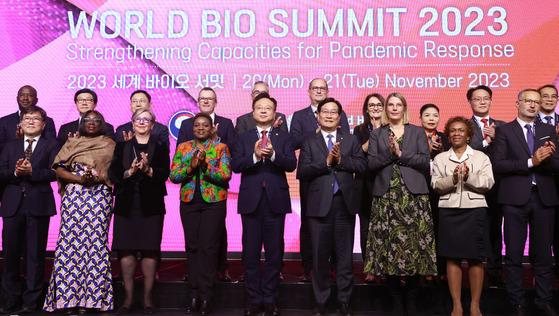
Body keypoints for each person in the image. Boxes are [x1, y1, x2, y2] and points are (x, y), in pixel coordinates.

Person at [365, 92, 437, 316]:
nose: (394, 108)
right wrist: (391, 153)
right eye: (391, 105)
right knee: (389, 250)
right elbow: (371, 164)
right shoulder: (377, 134)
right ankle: (396, 299)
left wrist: (401, 153)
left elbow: (424, 161)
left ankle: (412, 298)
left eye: (399, 105)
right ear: (386, 109)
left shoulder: (416, 131)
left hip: (413, 198)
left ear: (404, 108)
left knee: (414, 248)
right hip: (386, 198)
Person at [492, 89, 559, 316]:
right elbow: (499, 165)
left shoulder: (548, 130)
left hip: (544, 198)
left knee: (543, 255)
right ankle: (517, 303)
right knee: (513, 254)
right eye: (528, 101)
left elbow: (557, 166)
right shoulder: (504, 131)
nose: (533, 105)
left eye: (536, 102)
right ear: (517, 103)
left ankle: (544, 301)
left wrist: (547, 160)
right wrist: (531, 161)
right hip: (514, 199)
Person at [298, 98, 366, 316]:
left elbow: (361, 166)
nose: (328, 115)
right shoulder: (309, 142)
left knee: (345, 257)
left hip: (344, 205)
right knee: (319, 257)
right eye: (324, 112)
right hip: (319, 207)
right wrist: (326, 162)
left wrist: (340, 159)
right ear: (318, 115)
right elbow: (302, 172)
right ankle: (321, 301)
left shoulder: (351, 140)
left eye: (333, 112)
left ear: (339, 117)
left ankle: (345, 301)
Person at [44, 110, 116, 314]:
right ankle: (68, 301)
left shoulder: (110, 144)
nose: (91, 123)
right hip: (74, 197)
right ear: (82, 123)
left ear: (102, 123)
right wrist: (80, 180)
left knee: (95, 245)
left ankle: (93, 301)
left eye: (96, 120)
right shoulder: (71, 143)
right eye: (87, 120)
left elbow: (113, 172)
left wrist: (95, 179)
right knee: (70, 246)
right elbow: (58, 169)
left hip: (99, 196)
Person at [232, 92, 296, 316]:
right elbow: (236, 165)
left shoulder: (283, 136)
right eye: (259, 107)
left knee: (274, 253)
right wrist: (255, 156)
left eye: (267, 108)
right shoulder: (243, 137)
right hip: (251, 202)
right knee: (249, 254)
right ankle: (253, 299)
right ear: (253, 111)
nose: (263, 111)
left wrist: (274, 154)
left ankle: (269, 298)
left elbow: (291, 164)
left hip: (275, 202)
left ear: (274, 113)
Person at [108, 109, 170, 315]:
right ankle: (128, 299)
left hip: (151, 204)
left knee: (150, 249)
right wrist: (130, 172)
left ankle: (147, 298)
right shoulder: (121, 146)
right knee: (126, 250)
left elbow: (164, 174)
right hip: (126, 203)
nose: (142, 123)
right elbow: (113, 174)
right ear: (132, 124)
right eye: (138, 120)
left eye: (147, 120)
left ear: (153, 125)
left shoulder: (160, 146)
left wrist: (147, 170)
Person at [431, 116, 494, 316]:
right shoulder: (440, 158)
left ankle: (475, 305)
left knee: (475, 259)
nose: (456, 134)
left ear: (468, 135)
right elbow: (436, 185)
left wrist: (468, 177)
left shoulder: (481, 157)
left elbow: (488, 183)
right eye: (452, 131)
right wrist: (454, 178)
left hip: (474, 210)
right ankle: (457, 305)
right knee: (452, 259)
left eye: (461, 131)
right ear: (448, 135)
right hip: (449, 211)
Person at [170, 113, 232, 315]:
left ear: (212, 127)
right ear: (192, 128)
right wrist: (191, 167)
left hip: (213, 203)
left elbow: (225, 176)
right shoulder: (183, 147)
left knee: (209, 248)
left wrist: (205, 166)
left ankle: (207, 295)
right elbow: (174, 176)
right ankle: (194, 294)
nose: (200, 128)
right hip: (189, 202)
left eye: (205, 125)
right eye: (197, 125)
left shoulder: (220, 148)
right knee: (193, 246)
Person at [0, 106, 59, 314]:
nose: (31, 121)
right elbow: (1, 172)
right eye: (27, 118)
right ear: (21, 123)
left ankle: (31, 301)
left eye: (36, 118)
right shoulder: (9, 146)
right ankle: (9, 299)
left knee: (35, 255)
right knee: (10, 255)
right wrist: (15, 172)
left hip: (38, 204)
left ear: (43, 125)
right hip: (12, 205)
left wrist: (33, 172)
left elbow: (55, 173)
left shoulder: (52, 145)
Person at [290, 78, 349, 282]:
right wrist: (318, 133)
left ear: (327, 91)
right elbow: (294, 142)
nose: (318, 91)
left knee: (336, 225)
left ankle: (332, 265)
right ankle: (309, 267)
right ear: (308, 92)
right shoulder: (299, 116)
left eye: (322, 88)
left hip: (336, 178)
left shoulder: (339, 113)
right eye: (314, 88)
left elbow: (346, 140)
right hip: (312, 179)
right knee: (309, 223)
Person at [176, 87, 235, 282]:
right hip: (190, 195)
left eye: (210, 99)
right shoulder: (186, 130)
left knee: (214, 240)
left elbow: (229, 161)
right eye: (202, 98)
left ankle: (218, 273)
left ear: (216, 101)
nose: (206, 101)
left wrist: (213, 144)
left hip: (214, 196)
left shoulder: (225, 126)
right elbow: (177, 169)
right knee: (193, 243)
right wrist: (191, 167)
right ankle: (194, 283)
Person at [467, 85, 506, 288]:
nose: (482, 102)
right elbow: (462, 151)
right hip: (471, 187)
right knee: (473, 231)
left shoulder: (503, 126)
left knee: (495, 231)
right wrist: (485, 141)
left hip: (498, 187)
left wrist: (497, 138)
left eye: (486, 98)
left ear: (491, 101)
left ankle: (495, 273)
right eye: (477, 99)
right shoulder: (464, 126)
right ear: (470, 103)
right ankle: (474, 274)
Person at [352, 93, 384, 284]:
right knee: (366, 229)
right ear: (366, 109)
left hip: (385, 181)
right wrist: (375, 133)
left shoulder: (392, 128)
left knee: (386, 228)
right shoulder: (360, 130)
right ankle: (370, 268)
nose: (375, 108)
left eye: (379, 105)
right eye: (371, 105)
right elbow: (358, 152)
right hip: (364, 183)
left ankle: (387, 267)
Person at [536, 84, 559, 277]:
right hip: (540, 184)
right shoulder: (529, 123)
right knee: (542, 236)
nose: (550, 99)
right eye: (545, 96)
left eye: (554, 96)